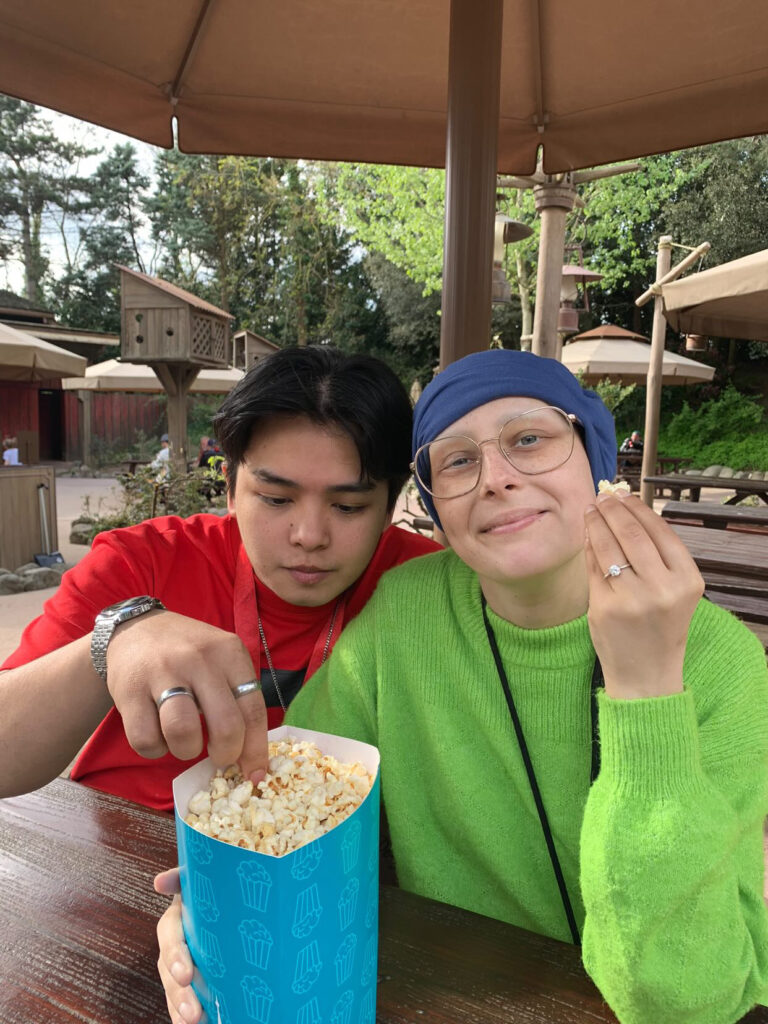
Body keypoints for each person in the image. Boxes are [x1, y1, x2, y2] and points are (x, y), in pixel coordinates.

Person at [157, 349, 768, 1024]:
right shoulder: (405, 611)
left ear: (597, 460)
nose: (496, 479)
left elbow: (687, 1001)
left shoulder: (720, 661)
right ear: (434, 509)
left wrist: (647, 688)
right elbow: (285, 799)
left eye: (529, 439)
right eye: (456, 461)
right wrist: (204, 909)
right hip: (449, 994)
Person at [0, 346, 438, 809]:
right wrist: (114, 642)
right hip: (120, 841)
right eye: (276, 499)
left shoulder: (429, 587)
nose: (309, 536)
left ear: (388, 508)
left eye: (348, 507)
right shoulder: (141, 563)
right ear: (230, 488)